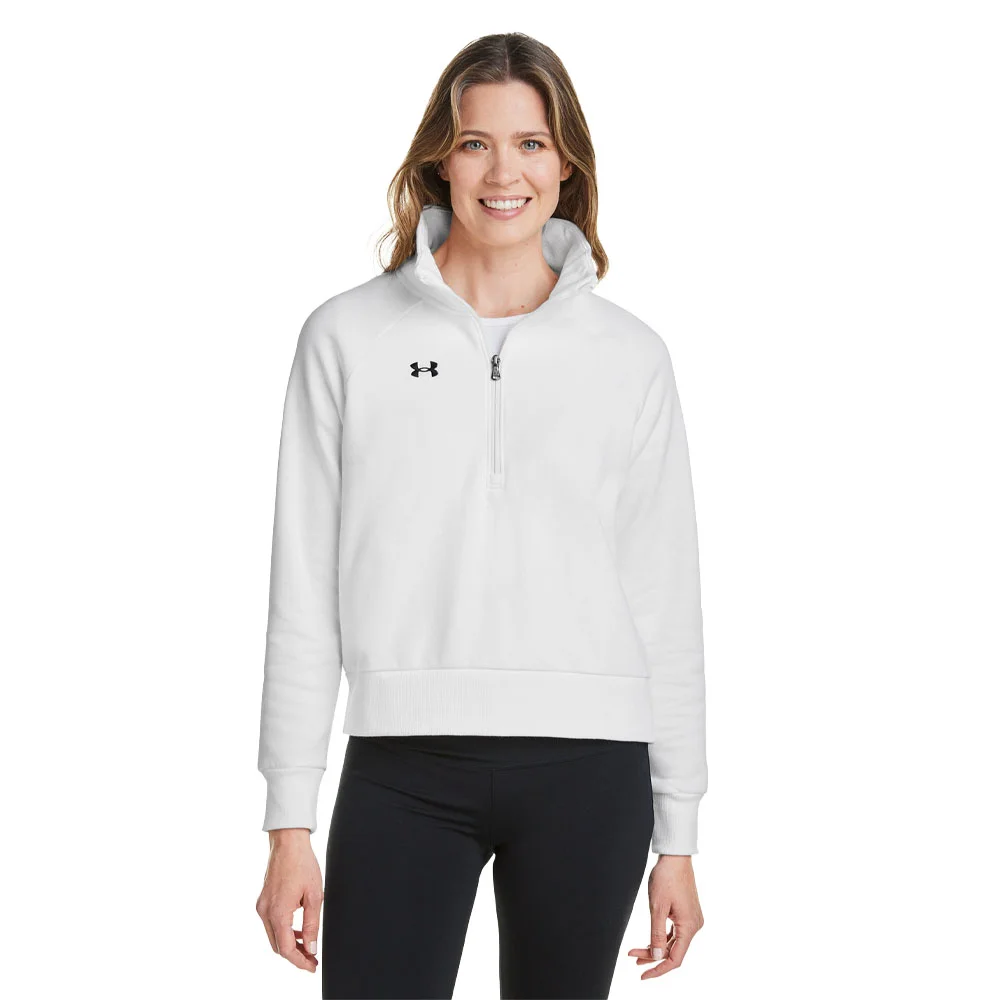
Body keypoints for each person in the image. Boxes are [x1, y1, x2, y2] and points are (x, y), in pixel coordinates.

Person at [255, 31, 708, 1000]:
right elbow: (302, 591)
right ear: (440, 159)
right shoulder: (347, 337)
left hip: (592, 772)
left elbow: (665, 600)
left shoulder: (630, 356)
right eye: (476, 143)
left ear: (566, 163)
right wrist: (288, 820)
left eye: (532, 143)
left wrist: (678, 833)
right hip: (402, 767)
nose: (505, 173)